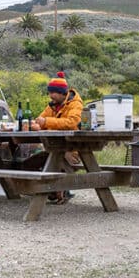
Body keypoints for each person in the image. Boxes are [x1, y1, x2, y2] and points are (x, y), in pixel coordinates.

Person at [30, 71, 83, 205]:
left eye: (52, 93)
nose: (50, 96)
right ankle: (50, 190)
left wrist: (45, 123)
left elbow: (71, 123)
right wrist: (36, 125)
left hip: (73, 148)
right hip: (54, 146)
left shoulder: (75, 104)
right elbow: (41, 120)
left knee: (54, 157)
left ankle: (58, 189)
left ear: (61, 93)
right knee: (32, 157)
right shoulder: (52, 105)